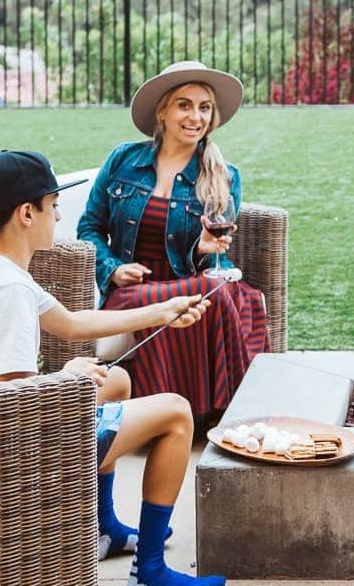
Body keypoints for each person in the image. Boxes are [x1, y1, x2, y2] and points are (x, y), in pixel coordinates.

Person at [0, 148, 228, 586]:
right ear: (26, 213)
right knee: (176, 413)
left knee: (117, 381)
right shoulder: (9, 292)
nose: (59, 214)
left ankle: (103, 528)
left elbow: (70, 324)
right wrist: (68, 376)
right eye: (53, 205)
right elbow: (17, 404)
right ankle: (149, 578)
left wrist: (164, 312)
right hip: (3, 458)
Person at [78, 60, 270, 420]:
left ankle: (226, 416)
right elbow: (89, 227)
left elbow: (211, 260)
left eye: (204, 107)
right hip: (134, 291)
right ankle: (174, 417)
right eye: (184, 105)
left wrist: (201, 249)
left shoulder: (224, 175)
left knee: (213, 291)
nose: (195, 117)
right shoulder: (123, 160)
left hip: (192, 280)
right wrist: (113, 269)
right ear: (162, 110)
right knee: (187, 297)